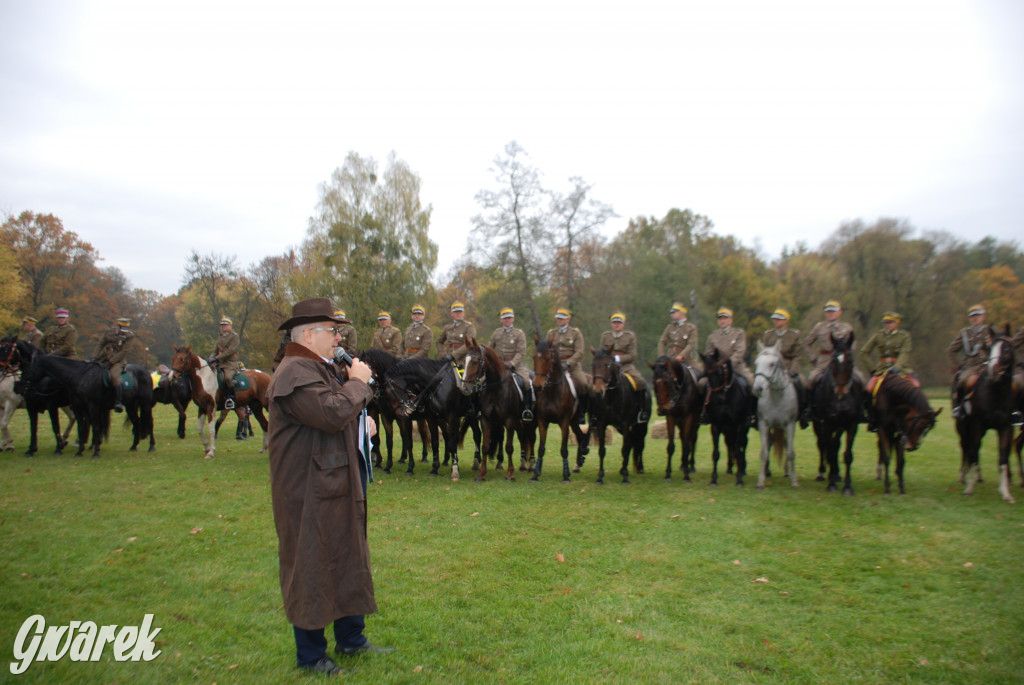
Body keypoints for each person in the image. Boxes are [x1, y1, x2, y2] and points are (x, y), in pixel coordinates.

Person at [267, 297, 393, 676]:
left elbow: (340, 411)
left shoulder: (318, 367)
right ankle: (311, 655)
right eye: (332, 330)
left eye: (339, 330)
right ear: (308, 334)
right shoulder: (294, 372)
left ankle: (352, 638)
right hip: (308, 490)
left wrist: (361, 423)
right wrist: (358, 383)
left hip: (336, 480)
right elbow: (330, 411)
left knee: (347, 555)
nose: (339, 337)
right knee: (311, 562)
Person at [703, 308, 754, 425]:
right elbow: (708, 354)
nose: (722, 321)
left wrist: (729, 364)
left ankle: (750, 414)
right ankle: (705, 412)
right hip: (717, 370)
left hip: (736, 367)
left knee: (751, 382)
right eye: (720, 319)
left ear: (731, 320)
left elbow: (740, 351)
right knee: (702, 384)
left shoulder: (739, 333)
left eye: (725, 318)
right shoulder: (713, 336)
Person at [599, 312, 650, 423]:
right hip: (608, 368)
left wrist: (617, 359)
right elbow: (601, 353)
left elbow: (632, 355)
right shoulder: (605, 336)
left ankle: (642, 411)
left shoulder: (630, 336)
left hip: (625, 366)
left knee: (640, 382)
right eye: (614, 322)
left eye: (619, 323)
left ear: (623, 324)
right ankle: (595, 414)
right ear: (611, 324)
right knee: (594, 385)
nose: (616, 325)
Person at [761, 308, 807, 425]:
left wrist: (793, 371)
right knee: (757, 384)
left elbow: (797, 356)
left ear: (786, 320)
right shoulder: (768, 335)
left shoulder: (794, 335)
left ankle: (803, 413)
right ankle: (756, 415)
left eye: (779, 319)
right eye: (775, 319)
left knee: (802, 383)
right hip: (771, 370)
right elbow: (764, 354)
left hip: (788, 367)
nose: (776, 321)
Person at [487, 307, 533, 420]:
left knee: (527, 382)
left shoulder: (519, 334)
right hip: (499, 365)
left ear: (513, 319)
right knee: (483, 381)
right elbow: (489, 349)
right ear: (501, 320)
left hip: (516, 365)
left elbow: (521, 352)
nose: (507, 320)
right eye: (504, 318)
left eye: (509, 318)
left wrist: (512, 363)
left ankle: (527, 409)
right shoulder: (496, 333)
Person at [545, 308, 590, 425]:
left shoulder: (575, 333)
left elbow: (580, 352)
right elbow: (545, 350)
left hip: (572, 366)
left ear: (568, 319)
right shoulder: (551, 333)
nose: (559, 320)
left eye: (562, 318)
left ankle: (581, 413)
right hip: (554, 367)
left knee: (583, 383)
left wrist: (569, 363)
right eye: (558, 318)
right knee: (539, 383)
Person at [947, 304, 992, 419]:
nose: (975, 318)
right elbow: (951, 350)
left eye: (978, 315)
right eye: (973, 316)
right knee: (962, 380)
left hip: (988, 364)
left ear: (983, 317)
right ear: (970, 318)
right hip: (972, 366)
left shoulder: (989, 331)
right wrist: (960, 365)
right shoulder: (965, 333)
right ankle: (958, 406)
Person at [802, 299, 855, 391]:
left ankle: (862, 404)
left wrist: (847, 356)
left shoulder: (847, 327)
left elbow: (852, 344)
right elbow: (806, 344)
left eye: (833, 311)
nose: (830, 314)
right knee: (810, 381)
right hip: (824, 362)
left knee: (860, 379)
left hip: (843, 364)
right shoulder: (819, 327)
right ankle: (809, 405)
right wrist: (813, 359)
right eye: (828, 312)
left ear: (840, 312)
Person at [93, 317, 137, 413]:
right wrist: (94, 357)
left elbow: (124, 352)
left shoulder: (130, 336)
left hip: (118, 361)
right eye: (122, 329)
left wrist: (111, 362)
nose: (124, 332)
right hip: (104, 357)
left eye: (126, 330)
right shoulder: (109, 332)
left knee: (114, 376)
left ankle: (118, 401)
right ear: (118, 326)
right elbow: (101, 344)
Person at [208, 316, 241, 409]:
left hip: (230, 363)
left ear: (230, 325)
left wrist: (217, 357)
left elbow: (231, 350)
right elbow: (215, 350)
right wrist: (210, 358)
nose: (223, 327)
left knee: (227, 378)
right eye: (222, 325)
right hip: (219, 363)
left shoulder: (234, 336)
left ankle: (231, 398)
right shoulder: (220, 337)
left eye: (225, 325)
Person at [657, 302, 700, 370]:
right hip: (670, 357)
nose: (672, 315)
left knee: (702, 372)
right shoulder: (670, 327)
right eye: (671, 313)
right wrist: (661, 356)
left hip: (686, 359)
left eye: (674, 312)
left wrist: (681, 355)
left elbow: (691, 344)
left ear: (681, 312)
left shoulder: (691, 328)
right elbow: (662, 342)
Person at [436, 301, 476, 366]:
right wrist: (442, 354)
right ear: (451, 313)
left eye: (460, 312)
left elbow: (469, 343)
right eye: (456, 312)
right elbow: (439, 342)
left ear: (463, 313)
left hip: (464, 360)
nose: (458, 314)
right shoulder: (447, 327)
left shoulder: (469, 326)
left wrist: (453, 355)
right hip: (448, 359)